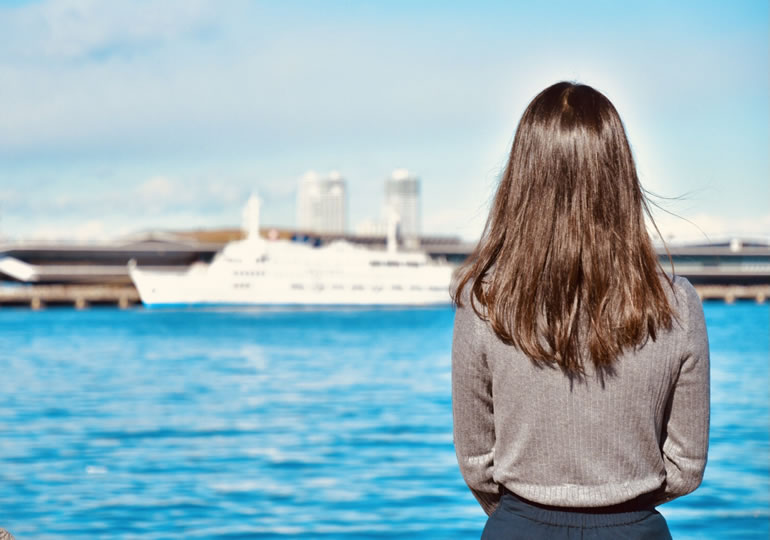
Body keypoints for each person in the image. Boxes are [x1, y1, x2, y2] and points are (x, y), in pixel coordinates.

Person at [451, 81, 709, 539]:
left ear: (522, 179)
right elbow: (685, 468)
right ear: (620, 176)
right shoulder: (678, 304)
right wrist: (620, 499)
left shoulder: (483, 303)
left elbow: (476, 465)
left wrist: (531, 511)